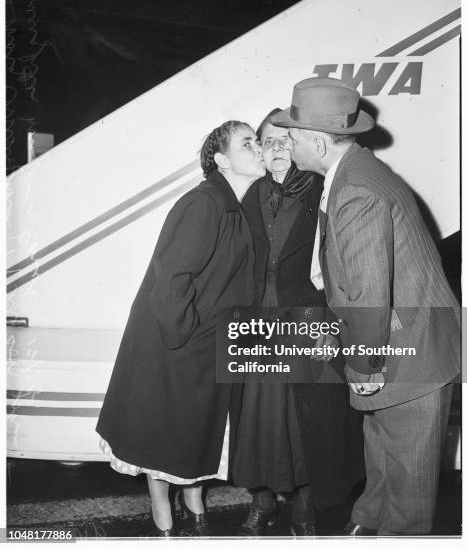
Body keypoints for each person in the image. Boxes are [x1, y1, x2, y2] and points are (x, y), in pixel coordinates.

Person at [270, 77, 460, 535]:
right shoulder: (353, 173)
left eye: (291, 136)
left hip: (406, 357)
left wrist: (364, 364)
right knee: (384, 460)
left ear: (317, 142)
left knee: (408, 491)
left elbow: (367, 292)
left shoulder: (356, 189)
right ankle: (364, 528)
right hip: (403, 347)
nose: (287, 144)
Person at [96, 120, 266, 537]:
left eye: (257, 140)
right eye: (248, 143)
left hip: (201, 336)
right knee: (164, 429)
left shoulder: (237, 203)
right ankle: (161, 507)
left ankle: (191, 496)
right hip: (172, 338)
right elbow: (171, 278)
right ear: (222, 160)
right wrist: (184, 336)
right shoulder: (205, 203)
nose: (259, 147)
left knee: (190, 428)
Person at [230, 109, 364, 536]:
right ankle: (262, 500)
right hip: (258, 319)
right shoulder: (252, 195)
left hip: (307, 318)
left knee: (305, 421)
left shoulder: (323, 191)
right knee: (255, 418)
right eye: (267, 142)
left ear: (300, 147)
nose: (276, 149)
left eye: (285, 141)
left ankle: (305, 509)